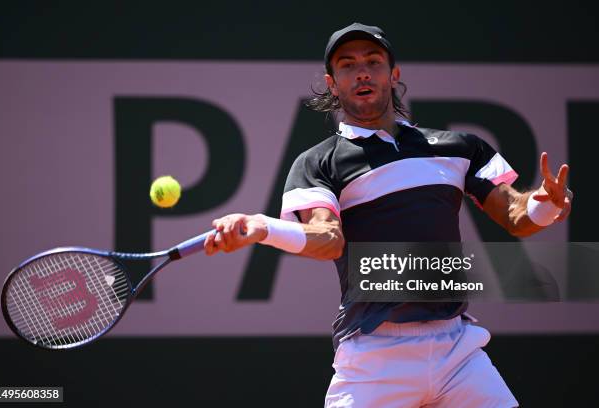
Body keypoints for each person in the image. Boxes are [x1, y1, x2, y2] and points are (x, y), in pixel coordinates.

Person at [203, 22, 573, 408]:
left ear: (393, 75)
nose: (362, 71)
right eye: (347, 65)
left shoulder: (460, 147)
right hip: (373, 357)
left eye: (373, 61)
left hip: (459, 352)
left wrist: (547, 203)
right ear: (332, 83)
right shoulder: (318, 163)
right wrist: (262, 227)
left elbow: (516, 215)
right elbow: (326, 239)